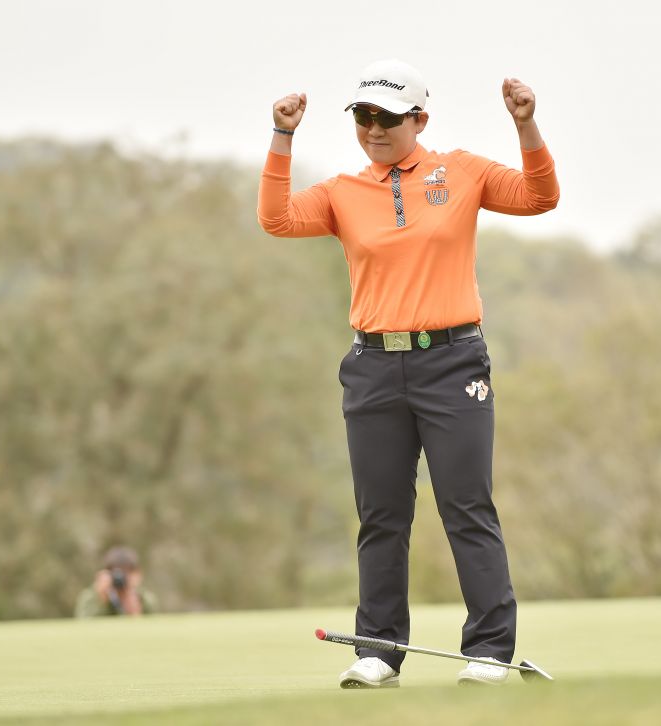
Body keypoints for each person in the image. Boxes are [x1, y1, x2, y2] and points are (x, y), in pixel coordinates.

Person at [258, 59, 559, 688]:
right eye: (364, 117)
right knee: (382, 515)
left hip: (452, 362)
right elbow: (277, 218)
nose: (374, 128)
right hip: (372, 366)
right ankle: (378, 651)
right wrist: (282, 137)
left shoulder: (464, 171)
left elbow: (539, 196)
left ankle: (489, 649)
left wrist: (525, 126)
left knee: (466, 507)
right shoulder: (343, 191)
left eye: (389, 117)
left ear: (419, 119)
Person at [74, 546, 157, 617]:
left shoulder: (144, 598)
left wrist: (135, 611)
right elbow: (85, 626)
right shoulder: (91, 597)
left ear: (137, 574)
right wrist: (102, 600)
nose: (120, 577)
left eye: (126, 572)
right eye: (115, 572)